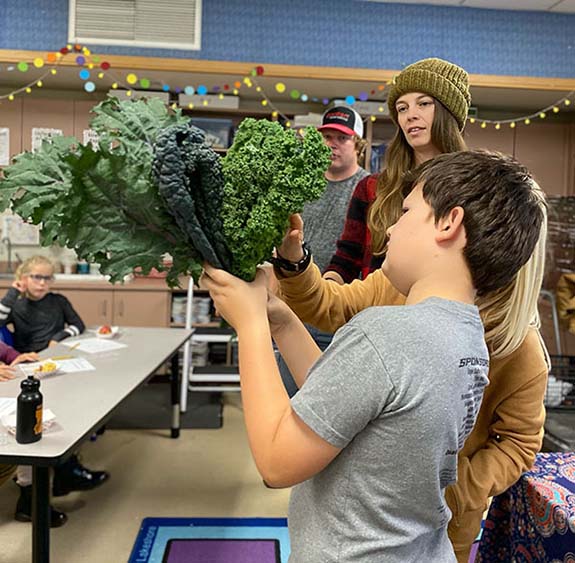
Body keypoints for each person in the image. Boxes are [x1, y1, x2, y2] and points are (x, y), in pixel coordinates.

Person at [200, 150, 546, 562]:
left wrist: (249, 326)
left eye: (405, 212)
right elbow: (344, 403)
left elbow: (277, 461)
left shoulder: (387, 331)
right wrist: (282, 323)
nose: (391, 230)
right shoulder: (469, 336)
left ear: (449, 223)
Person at [323, 57, 470, 284]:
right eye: (402, 108)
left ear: (447, 112)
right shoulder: (372, 188)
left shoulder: (472, 188)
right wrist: (326, 288)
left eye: (423, 104)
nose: (410, 114)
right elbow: (347, 258)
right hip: (373, 312)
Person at [0, 255, 109, 527]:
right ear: (24, 278)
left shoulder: (57, 302)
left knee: (72, 405)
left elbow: (78, 325)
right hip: (29, 368)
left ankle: (66, 470)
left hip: (46, 361)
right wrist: (14, 292)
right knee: (31, 420)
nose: (42, 282)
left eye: (47, 277)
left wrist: (55, 339)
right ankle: (31, 497)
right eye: (36, 277)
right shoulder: (17, 304)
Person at [277, 105, 369, 396]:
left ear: (359, 145)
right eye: (327, 136)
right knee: (285, 397)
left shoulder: (367, 189)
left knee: (324, 400)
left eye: (342, 138)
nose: (332, 144)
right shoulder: (304, 185)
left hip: (336, 312)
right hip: (292, 302)